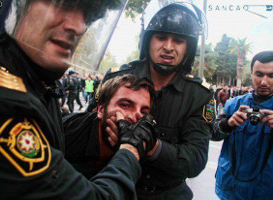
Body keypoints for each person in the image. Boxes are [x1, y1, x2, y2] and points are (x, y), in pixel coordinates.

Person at [0, 0, 157, 199]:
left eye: (88, 16)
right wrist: (130, 151)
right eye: (62, 4)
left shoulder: (35, 78)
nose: (78, 26)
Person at [96, 1, 215, 199]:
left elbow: (195, 160)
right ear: (148, 40)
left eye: (178, 40)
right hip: (113, 190)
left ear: (188, 47)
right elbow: (86, 129)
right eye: (161, 37)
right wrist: (106, 135)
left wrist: (152, 147)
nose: (168, 47)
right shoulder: (116, 78)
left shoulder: (200, 95)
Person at [64, 74, 156, 179]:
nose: (135, 117)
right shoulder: (67, 132)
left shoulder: (143, 148)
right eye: (125, 105)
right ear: (101, 110)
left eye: (143, 112)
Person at [212, 51, 273, 200]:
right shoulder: (234, 104)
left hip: (265, 191)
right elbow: (212, 134)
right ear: (251, 73)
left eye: (271, 76)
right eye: (259, 74)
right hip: (229, 187)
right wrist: (228, 123)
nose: (264, 82)